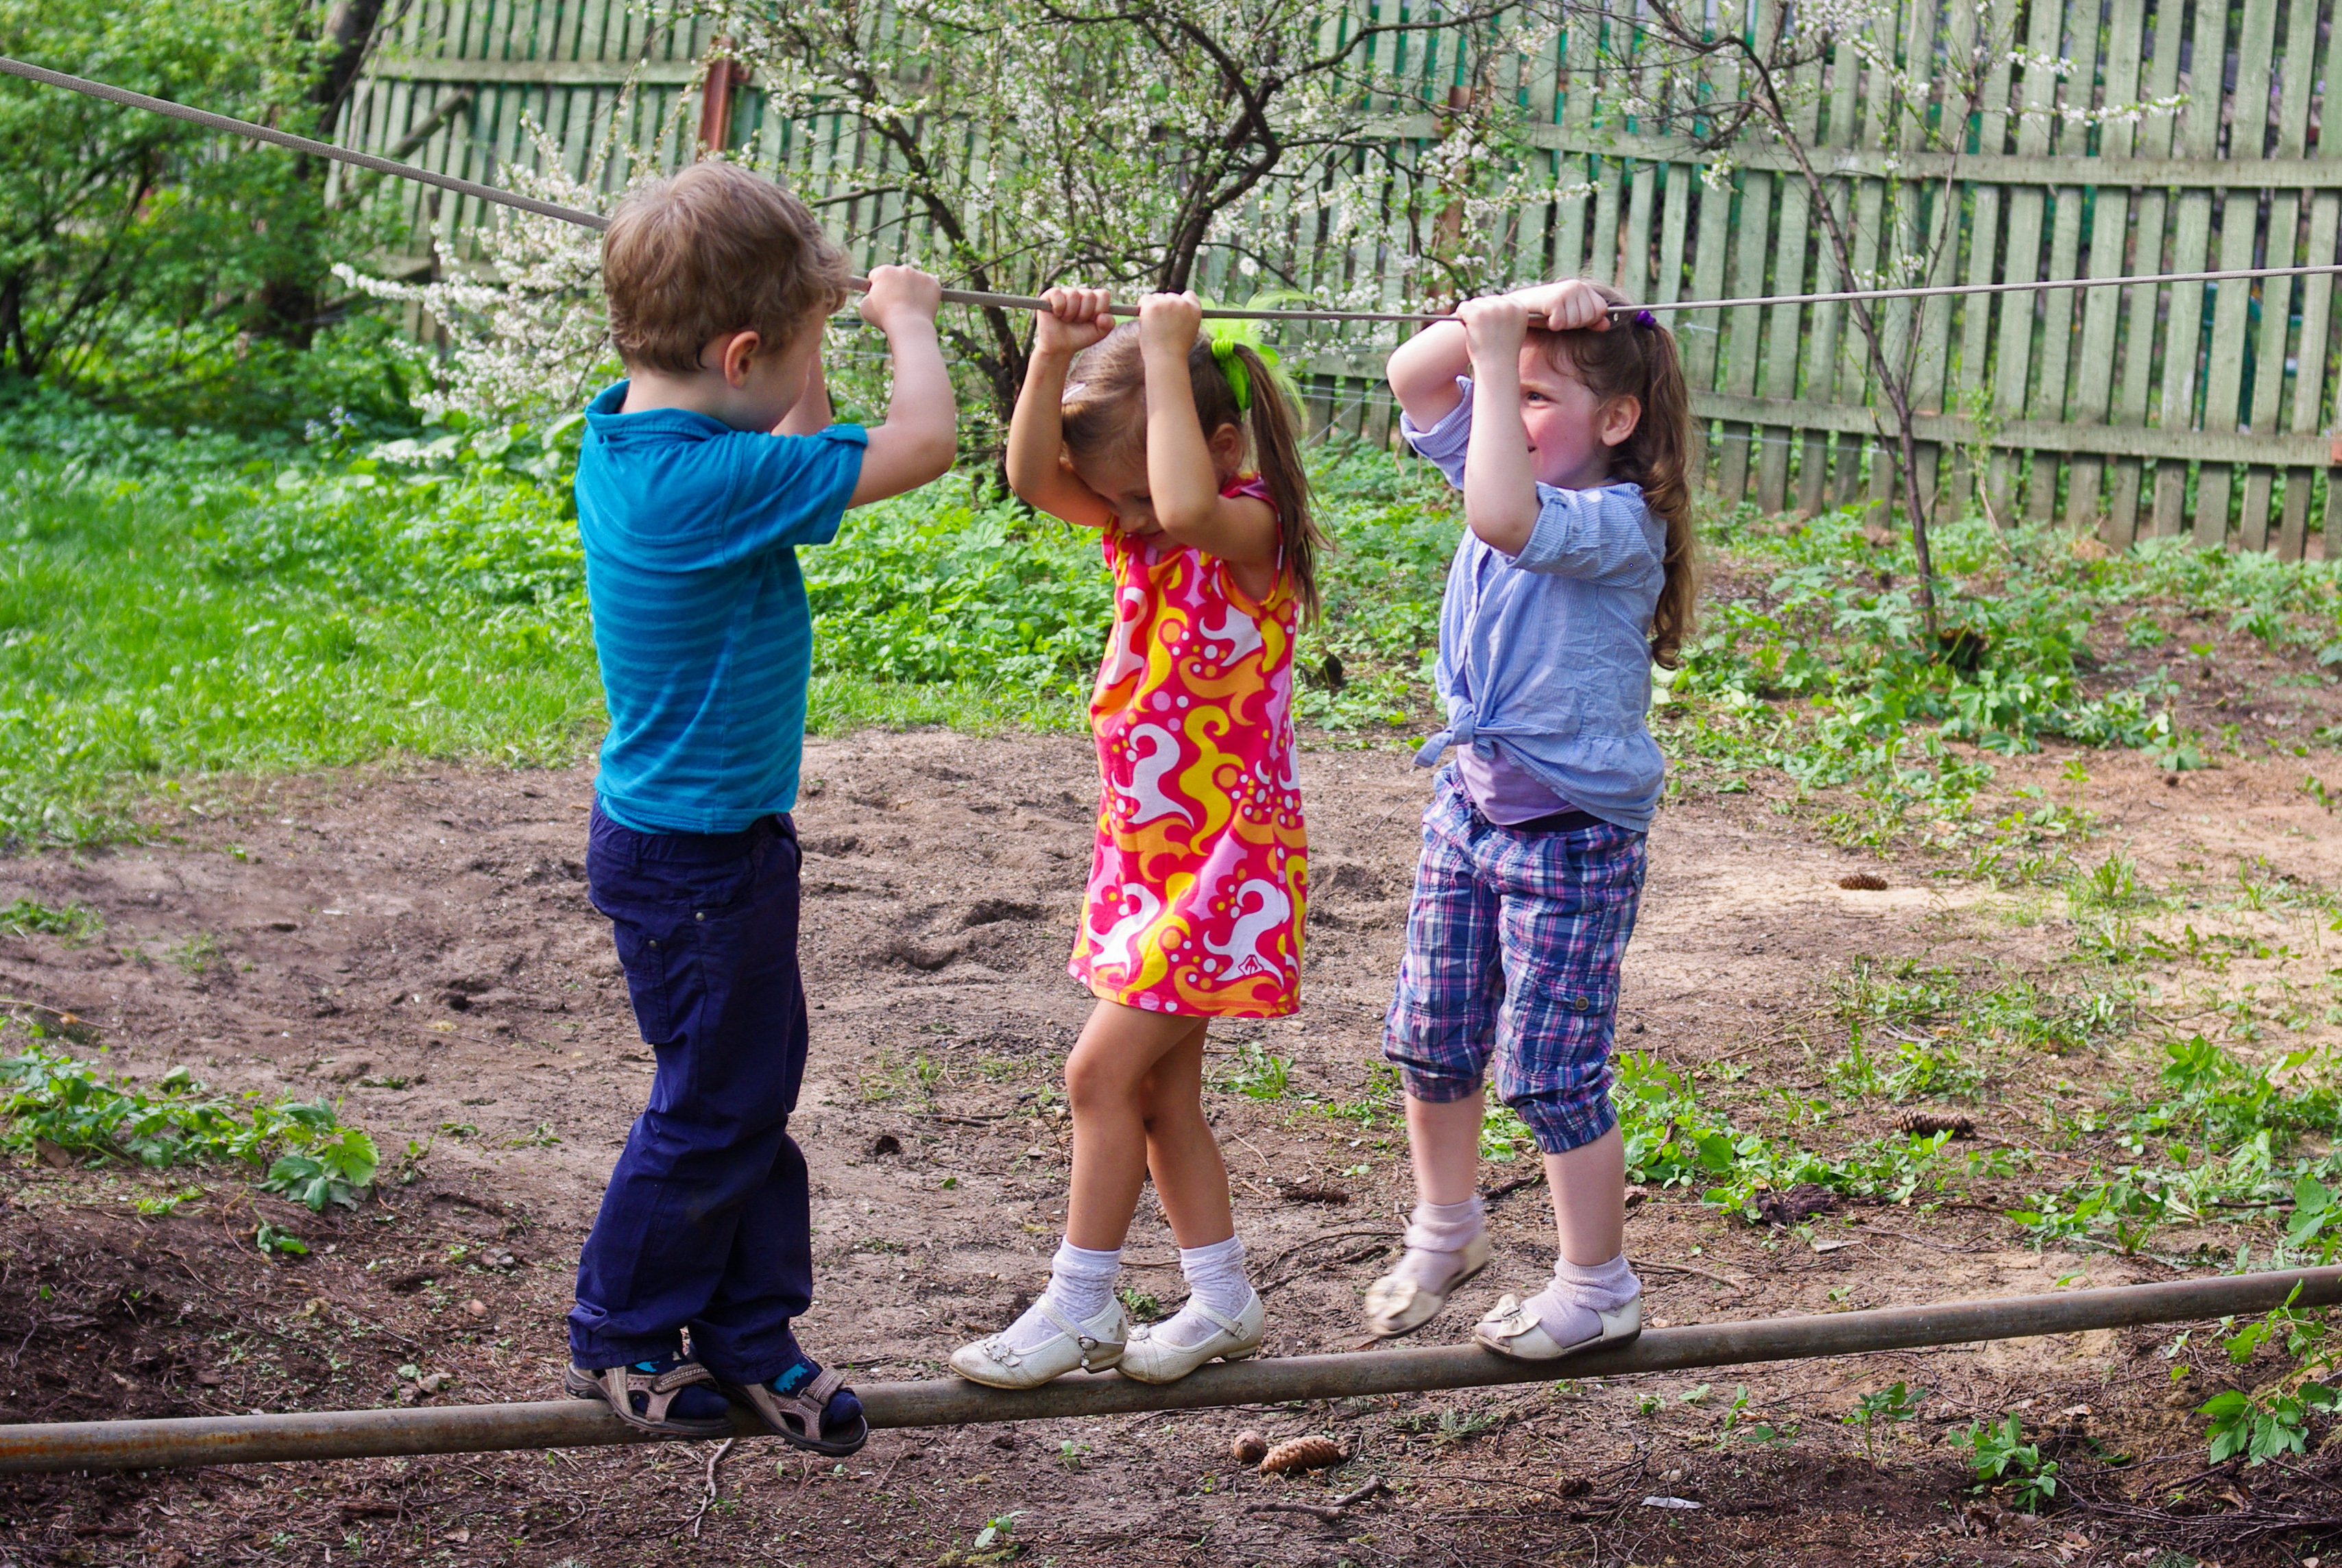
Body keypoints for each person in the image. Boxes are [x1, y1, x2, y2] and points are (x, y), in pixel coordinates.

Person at [564, 160, 955, 1449]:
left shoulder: (636, 437)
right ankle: (622, 1331)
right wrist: (906, 320)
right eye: (791, 349)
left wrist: (810, 326)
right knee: (715, 1103)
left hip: (707, 845)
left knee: (748, 1092)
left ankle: (745, 1330)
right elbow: (922, 445)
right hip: (695, 861)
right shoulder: (708, 484)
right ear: (741, 355)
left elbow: (787, 436)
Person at [947, 287, 1325, 1388]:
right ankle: (1222, 1298)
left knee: (1096, 1076)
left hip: (1224, 870)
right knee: (1159, 1095)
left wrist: (1163, 352)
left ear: (1218, 446)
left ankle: (1081, 1305)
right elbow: (1033, 479)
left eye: (1141, 493)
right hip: (1146, 861)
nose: (1130, 515)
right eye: (1119, 498)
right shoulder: (1143, 527)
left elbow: (1185, 501)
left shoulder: (1246, 531)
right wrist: (1052, 354)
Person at [1365, 277, 1695, 1360]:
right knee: (1431, 1035)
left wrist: (1497, 359)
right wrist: (1507, 313)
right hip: (1469, 811)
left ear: (1617, 421)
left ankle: (1598, 1288)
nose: (1503, 409)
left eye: (1536, 397)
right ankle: (1447, 1230)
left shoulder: (1619, 521)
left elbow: (1502, 517)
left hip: (1572, 840)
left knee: (1552, 1071)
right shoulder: (1507, 460)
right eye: (1507, 393)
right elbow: (1410, 376)